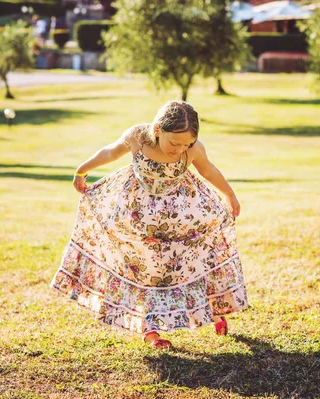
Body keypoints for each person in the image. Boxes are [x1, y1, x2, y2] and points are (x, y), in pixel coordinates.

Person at [50, 101, 248, 349]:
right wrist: (82, 170)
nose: (179, 150)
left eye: (186, 144)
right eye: (174, 143)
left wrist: (229, 194)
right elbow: (110, 152)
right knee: (146, 270)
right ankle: (150, 329)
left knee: (193, 258)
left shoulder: (193, 149)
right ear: (157, 130)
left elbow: (208, 171)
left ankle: (213, 309)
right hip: (139, 217)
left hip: (182, 215)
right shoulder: (138, 138)